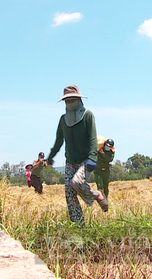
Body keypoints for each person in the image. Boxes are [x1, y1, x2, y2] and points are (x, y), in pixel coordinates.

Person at [46, 85, 109, 226]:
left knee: (77, 182)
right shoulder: (63, 120)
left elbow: (93, 138)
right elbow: (58, 141)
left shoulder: (87, 115)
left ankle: (97, 195)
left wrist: (93, 157)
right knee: (69, 190)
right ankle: (78, 224)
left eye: (73, 99)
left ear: (79, 99)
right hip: (70, 161)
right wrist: (50, 157)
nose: (70, 102)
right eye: (67, 101)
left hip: (86, 159)